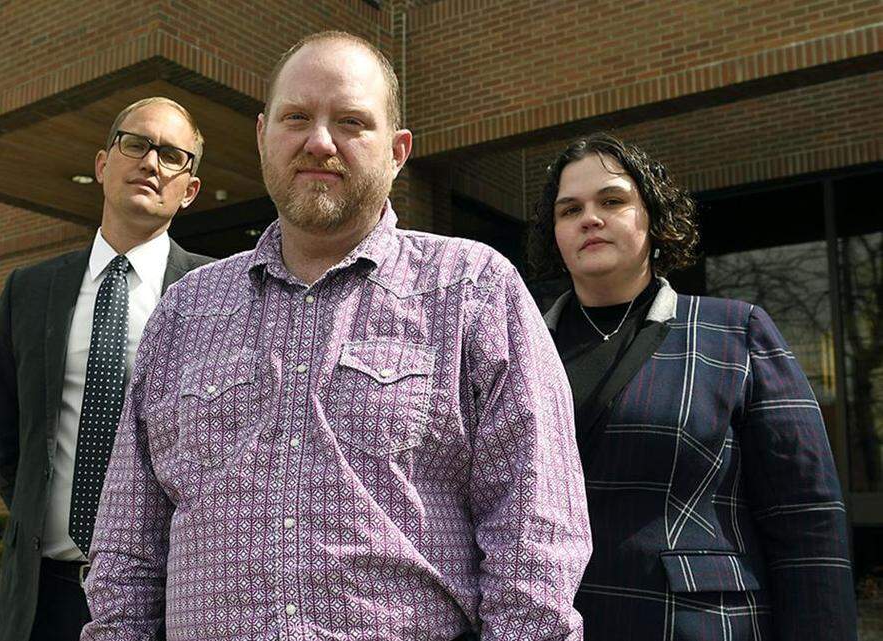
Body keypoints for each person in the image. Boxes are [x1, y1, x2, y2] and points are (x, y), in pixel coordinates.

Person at [82, 31, 590, 641]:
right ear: (263, 134)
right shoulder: (185, 311)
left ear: (398, 151)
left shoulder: (473, 289)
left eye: (351, 122)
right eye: (297, 117)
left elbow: (537, 537)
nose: (319, 142)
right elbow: (125, 550)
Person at [530, 132, 857, 640]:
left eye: (612, 201)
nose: (589, 218)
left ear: (654, 219)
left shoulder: (736, 334)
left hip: (691, 623)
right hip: (553, 621)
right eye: (568, 210)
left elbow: (804, 518)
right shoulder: (517, 343)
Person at [0, 96, 213, 641]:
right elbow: (7, 436)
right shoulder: (29, 291)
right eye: (135, 144)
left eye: (172, 156)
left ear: (190, 190)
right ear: (102, 164)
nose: (151, 163)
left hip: (162, 601)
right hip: (44, 595)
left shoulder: (216, 294)